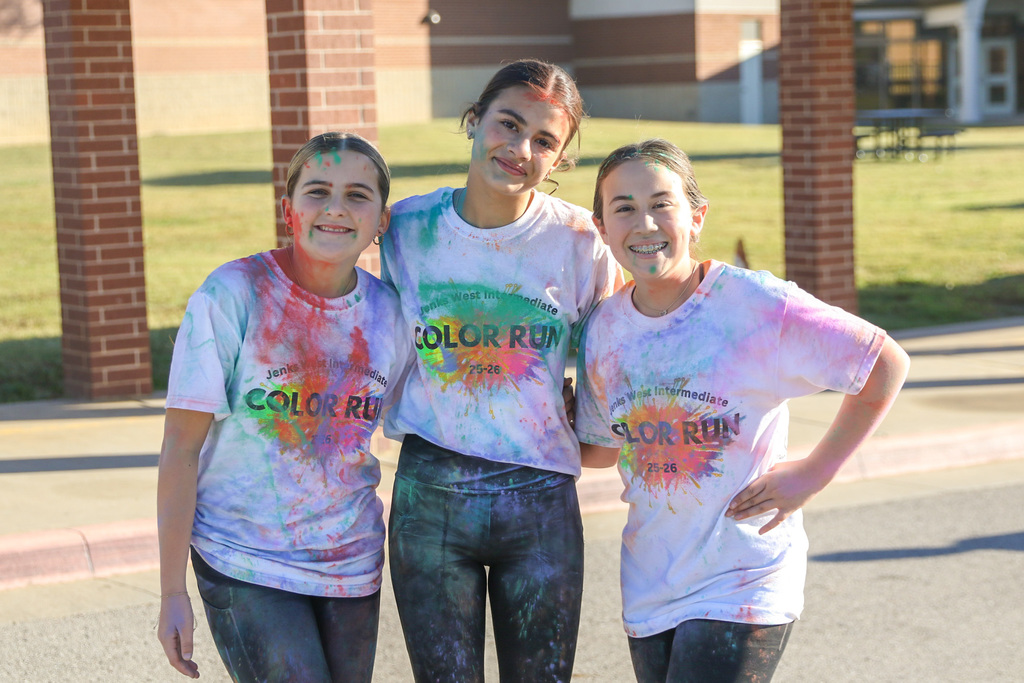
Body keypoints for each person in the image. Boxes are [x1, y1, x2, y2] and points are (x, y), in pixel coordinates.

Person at [575, 138, 910, 683]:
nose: (645, 223)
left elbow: (883, 363)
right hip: (651, 580)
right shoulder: (603, 331)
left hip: (742, 577)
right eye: (624, 208)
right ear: (601, 226)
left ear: (697, 216)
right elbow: (601, 448)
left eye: (663, 203)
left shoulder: (754, 305)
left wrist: (815, 472)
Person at [379, 59, 623, 682]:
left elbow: (613, 353)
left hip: (539, 498)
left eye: (545, 140)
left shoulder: (579, 241)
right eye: (508, 125)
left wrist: (598, 436)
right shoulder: (406, 227)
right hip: (430, 492)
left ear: (561, 159)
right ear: (473, 121)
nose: (520, 149)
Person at [156, 132, 409, 682]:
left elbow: (420, 417)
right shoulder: (233, 293)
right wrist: (172, 589)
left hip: (351, 561)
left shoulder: (389, 314)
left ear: (381, 221)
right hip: (243, 557)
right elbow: (180, 448)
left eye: (358, 195)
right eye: (317, 191)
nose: (336, 208)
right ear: (288, 209)